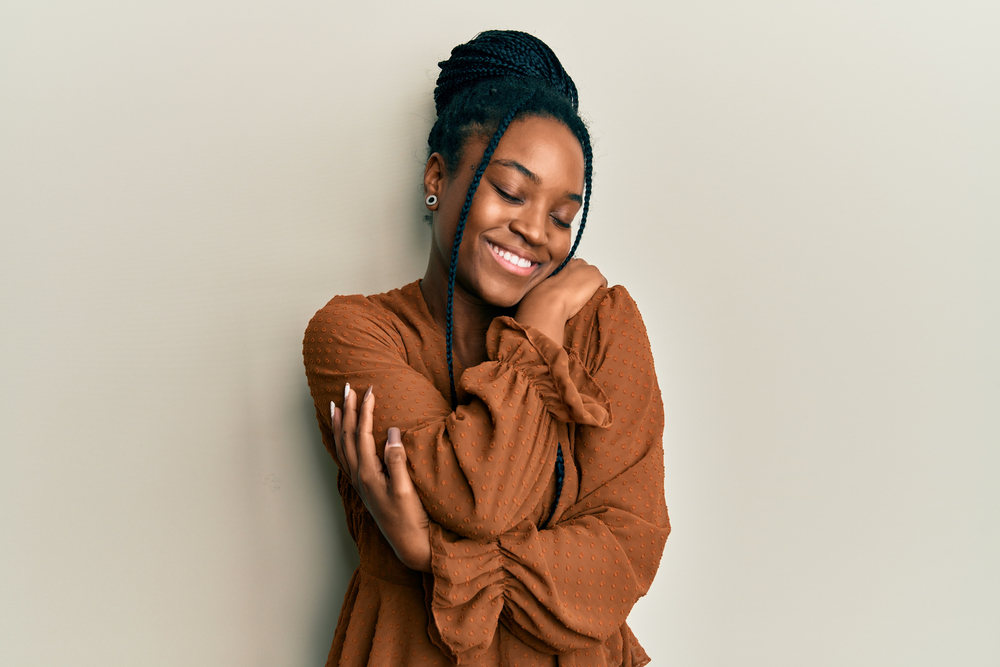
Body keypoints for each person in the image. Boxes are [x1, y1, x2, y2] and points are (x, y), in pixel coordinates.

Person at [303, 30, 669, 667]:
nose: (535, 231)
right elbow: (481, 497)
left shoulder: (606, 325)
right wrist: (541, 322)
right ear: (437, 176)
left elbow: (624, 555)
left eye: (563, 215)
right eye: (511, 191)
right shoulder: (354, 335)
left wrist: (433, 554)